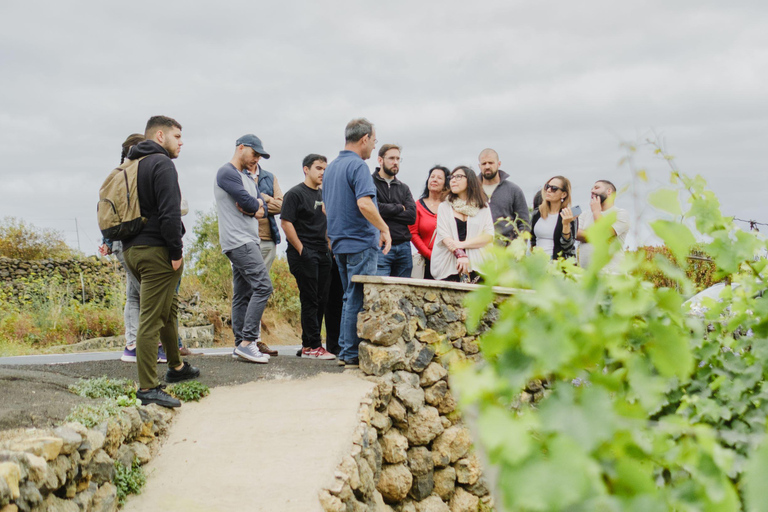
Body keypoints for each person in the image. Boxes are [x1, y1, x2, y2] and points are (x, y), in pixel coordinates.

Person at [122, 116, 200, 408]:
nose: (181, 142)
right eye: (176, 136)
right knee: (152, 317)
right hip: (156, 250)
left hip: (132, 248)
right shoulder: (162, 164)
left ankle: (177, 367)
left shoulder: (132, 164)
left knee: (168, 308)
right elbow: (170, 214)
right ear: (159, 135)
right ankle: (147, 387)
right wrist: (176, 253)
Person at [100, 133, 193, 363]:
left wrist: (107, 241)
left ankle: (136, 345)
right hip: (139, 241)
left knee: (134, 295)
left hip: (123, 242)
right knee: (150, 298)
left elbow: (113, 210)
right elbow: (173, 208)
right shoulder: (142, 170)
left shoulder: (121, 172)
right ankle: (150, 351)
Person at [324, 118, 391, 368]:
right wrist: (383, 228)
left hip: (340, 244)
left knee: (348, 297)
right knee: (357, 298)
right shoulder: (358, 166)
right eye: (374, 140)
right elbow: (364, 203)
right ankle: (351, 353)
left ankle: (345, 350)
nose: (374, 146)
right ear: (364, 139)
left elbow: (326, 209)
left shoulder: (331, 168)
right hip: (360, 243)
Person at [214, 134, 277, 363]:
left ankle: (240, 344)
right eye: (254, 153)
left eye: (260, 156)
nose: (257, 159)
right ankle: (249, 342)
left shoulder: (247, 177)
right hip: (239, 241)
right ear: (241, 148)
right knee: (263, 287)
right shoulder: (227, 172)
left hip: (249, 240)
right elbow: (252, 203)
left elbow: (262, 209)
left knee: (242, 293)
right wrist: (256, 204)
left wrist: (256, 205)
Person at [282, 154, 336, 360]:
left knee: (321, 299)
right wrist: (301, 249)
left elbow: (327, 223)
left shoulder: (324, 195)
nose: (323, 172)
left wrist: (329, 246)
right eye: (318, 168)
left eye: (325, 169)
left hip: (323, 252)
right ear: (306, 169)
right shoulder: (295, 194)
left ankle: (307, 344)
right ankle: (313, 345)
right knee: (310, 298)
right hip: (304, 253)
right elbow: (286, 222)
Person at [431, 166, 494, 282]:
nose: (453, 180)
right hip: (450, 265)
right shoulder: (444, 206)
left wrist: (462, 244)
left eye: (458, 176)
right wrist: (460, 254)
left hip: (478, 264)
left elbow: (488, 236)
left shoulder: (483, 208)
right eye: (451, 177)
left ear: (469, 181)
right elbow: (444, 235)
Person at [372, 144, 416, 277]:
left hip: (404, 247)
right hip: (381, 246)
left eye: (398, 159)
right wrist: (399, 207)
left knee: (403, 289)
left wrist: (386, 211)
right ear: (380, 160)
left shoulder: (404, 188)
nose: (395, 162)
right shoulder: (370, 183)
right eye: (391, 158)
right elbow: (374, 209)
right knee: (380, 288)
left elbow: (411, 216)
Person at [478, 148, 529, 243]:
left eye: (491, 163)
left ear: (499, 164)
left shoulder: (513, 190)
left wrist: (519, 246)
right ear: (479, 166)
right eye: (484, 163)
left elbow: (524, 223)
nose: (487, 166)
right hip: (478, 247)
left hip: (507, 247)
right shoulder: (472, 190)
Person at [577, 179, 630, 270]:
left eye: (596, 188)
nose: (592, 191)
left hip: (612, 272)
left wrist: (596, 212)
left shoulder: (620, 213)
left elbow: (606, 233)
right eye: (592, 188)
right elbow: (576, 234)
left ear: (609, 191)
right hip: (587, 273)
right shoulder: (585, 214)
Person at [409, 165, 450, 279]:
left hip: (447, 261)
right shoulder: (418, 205)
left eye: (439, 178)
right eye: (432, 177)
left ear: (446, 183)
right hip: (425, 261)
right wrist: (430, 255)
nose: (434, 180)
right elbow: (413, 233)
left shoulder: (450, 206)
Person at [530, 176, 577, 259]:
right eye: (547, 186)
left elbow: (567, 247)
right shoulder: (537, 213)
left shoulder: (568, 214)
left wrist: (566, 224)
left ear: (563, 194)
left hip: (557, 261)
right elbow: (532, 239)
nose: (548, 190)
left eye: (554, 188)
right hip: (538, 260)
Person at [251, 158, 283, 272]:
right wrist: (267, 199)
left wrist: (261, 200)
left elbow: (280, 206)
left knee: (263, 280)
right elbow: (241, 205)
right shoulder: (237, 176)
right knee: (245, 280)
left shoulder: (270, 177)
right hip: (245, 240)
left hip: (268, 239)